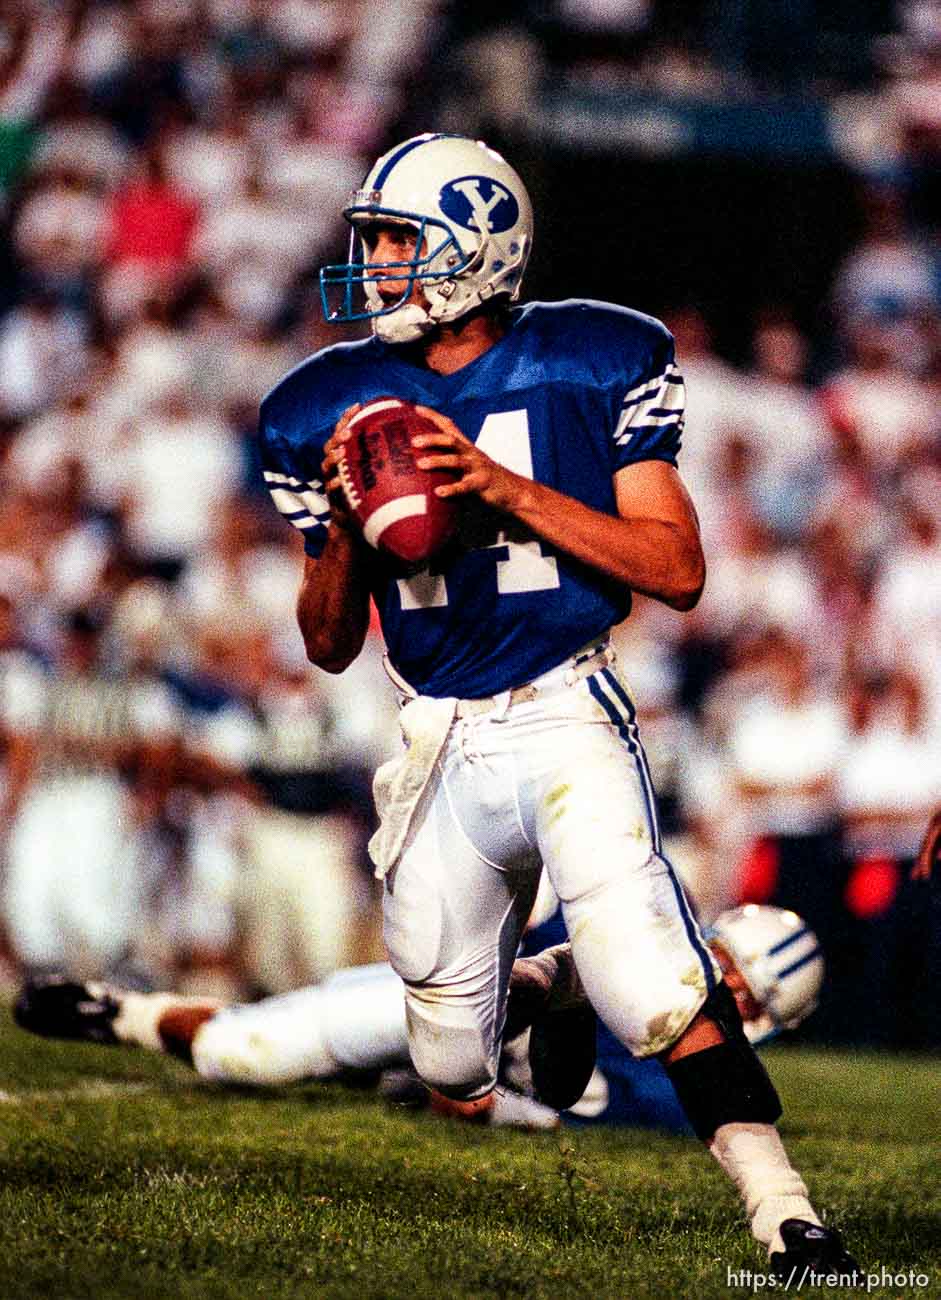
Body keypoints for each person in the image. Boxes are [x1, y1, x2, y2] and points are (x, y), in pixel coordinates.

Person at [257, 133, 858, 1277]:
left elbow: (674, 569)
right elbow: (329, 644)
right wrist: (339, 528)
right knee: (448, 1067)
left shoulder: (593, 357)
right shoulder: (320, 405)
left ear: (472, 247)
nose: (371, 263)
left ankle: (785, 1214)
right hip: (435, 735)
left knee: (650, 976)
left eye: (394, 241)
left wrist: (503, 489)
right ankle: (545, 978)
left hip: (563, 707)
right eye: (370, 240)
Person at [13, 905, 823, 1136]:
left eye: (736, 987)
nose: (712, 982)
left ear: (759, 1018)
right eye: (716, 957)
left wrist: (489, 1104)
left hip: (479, 1078)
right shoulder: (626, 935)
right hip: (451, 1008)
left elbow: (568, 1105)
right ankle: (123, 1011)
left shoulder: (687, 1087)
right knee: (247, 1051)